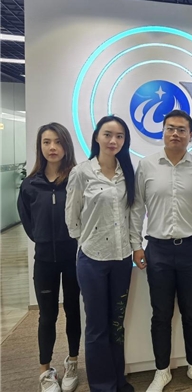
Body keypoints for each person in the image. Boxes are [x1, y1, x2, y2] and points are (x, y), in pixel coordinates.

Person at [130, 110, 192, 392]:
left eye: (181, 129)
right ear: (163, 131)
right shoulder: (147, 166)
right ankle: (162, 370)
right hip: (158, 250)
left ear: (190, 135)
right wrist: (136, 245)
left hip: (191, 249)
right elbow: (137, 208)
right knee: (161, 314)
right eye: (170, 128)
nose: (175, 134)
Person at [65, 115, 137, 392]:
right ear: (97, 137)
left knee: (116, 325)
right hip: (93, 260)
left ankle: (119, 381)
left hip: (121, 259)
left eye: (119, 136)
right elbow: (71, 218)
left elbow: (131, 214)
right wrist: (86, 241)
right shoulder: (82, 172)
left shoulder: (127, 171)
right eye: (108, 134)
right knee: (97, 327)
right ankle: (102, 386)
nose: (113, 140)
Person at [17, 123, 81, 392]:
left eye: (57, 142)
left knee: (73, 311)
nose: (52, 147)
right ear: (40, 146)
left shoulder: (77, 179)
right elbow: (28, 221)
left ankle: (73, 362)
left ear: (66, 146)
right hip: (44, 260)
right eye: (46, 142)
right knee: (47, 316)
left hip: (74, 258)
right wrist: (44, 239)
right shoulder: (30, 184)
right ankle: (45, 371)